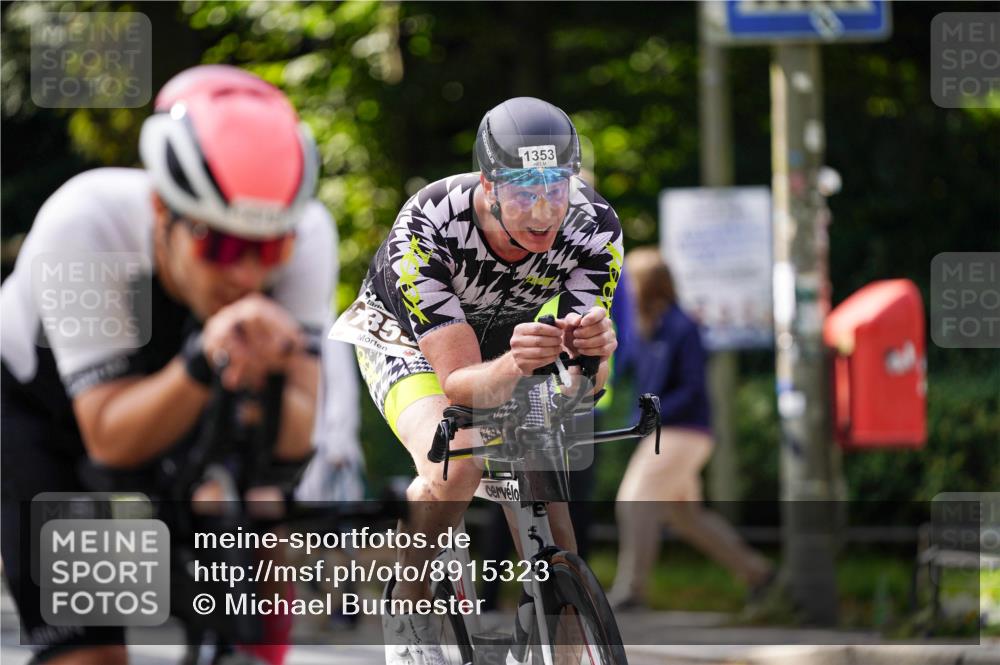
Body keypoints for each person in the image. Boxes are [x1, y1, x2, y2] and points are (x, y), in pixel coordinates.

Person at [1, 65, 336, 665]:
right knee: (93, 653)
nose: (246, 274)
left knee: (262, 544)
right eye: (220, 244)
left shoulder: (308, 231)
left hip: (181, 395)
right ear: (163, 209)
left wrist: (287, 372)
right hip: (46, 411)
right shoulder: (87, 224)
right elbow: (109, 441)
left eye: (267, 249)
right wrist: (206, 359)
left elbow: (287, 451)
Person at [332, 97, 622, 665]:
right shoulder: (429, 222)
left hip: (510, 344)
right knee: (458, 460)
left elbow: (586, 385)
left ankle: (558, 639)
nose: (542, 212)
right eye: (522, 191)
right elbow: (461, 384)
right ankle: (410, 594)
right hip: (411, 343)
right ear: (489, 185)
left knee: (553, 514)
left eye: (555, 188)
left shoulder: (594, 225)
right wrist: (518, 365)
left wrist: (588, 361)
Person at [608, 246, 774, 609]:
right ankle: (759, 574)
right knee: (686, 517)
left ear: (647, 285)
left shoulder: (681, 327)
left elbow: (692, 387)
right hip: (673, 432)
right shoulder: (648, 328)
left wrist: (651, 416)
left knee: (633, 502)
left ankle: (632, 591)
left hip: (682, 432)